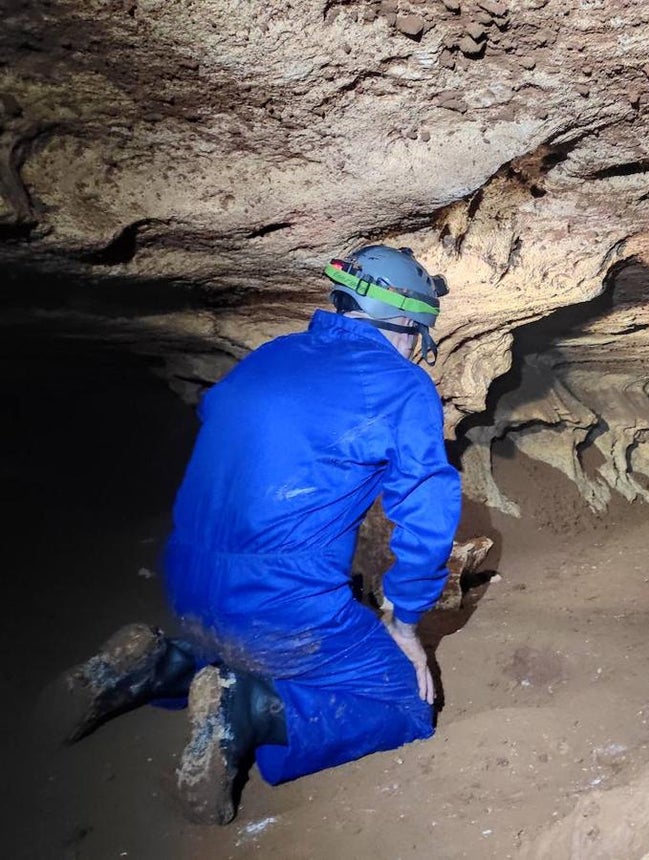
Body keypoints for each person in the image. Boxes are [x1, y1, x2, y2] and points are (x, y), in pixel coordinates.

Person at [60, 244, 462, 824]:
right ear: (405, 323)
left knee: (236, 642)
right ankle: (246, 707)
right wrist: (404, 623)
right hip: (281, 600)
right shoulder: (397, 384)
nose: (413, 351)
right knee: (402, 703)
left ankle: (159, 665)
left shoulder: (265, 358)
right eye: (417, 337)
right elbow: (427, 512)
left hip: (187, 581)